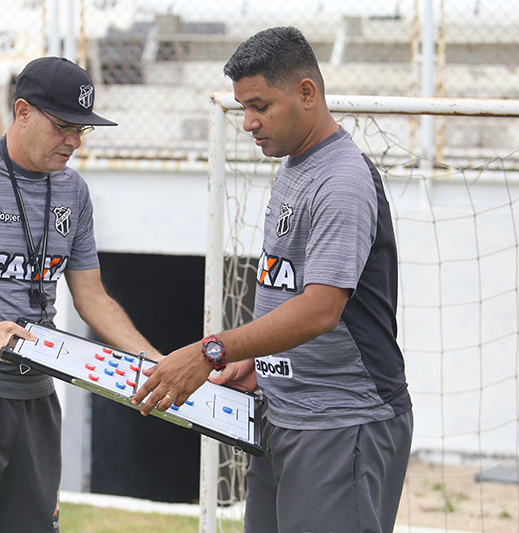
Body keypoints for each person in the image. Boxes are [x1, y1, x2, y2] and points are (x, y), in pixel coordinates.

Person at [132, 27, 413, 533]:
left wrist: (211, 351)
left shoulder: (341, 180)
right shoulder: (295, 166)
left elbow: (321, 308)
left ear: (307, 92)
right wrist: (260, 360)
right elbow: (288, 288)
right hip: (283, 414)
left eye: (260, 106)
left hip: (339, 423)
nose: (247, 123)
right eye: (243, 108)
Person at [0, 56, 160, 533]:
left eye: (82, 130)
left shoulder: (74, 191)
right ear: (22, 112)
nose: (75, 142)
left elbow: (92, 297)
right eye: (63, 127)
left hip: (37, 390)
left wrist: (154, 362)